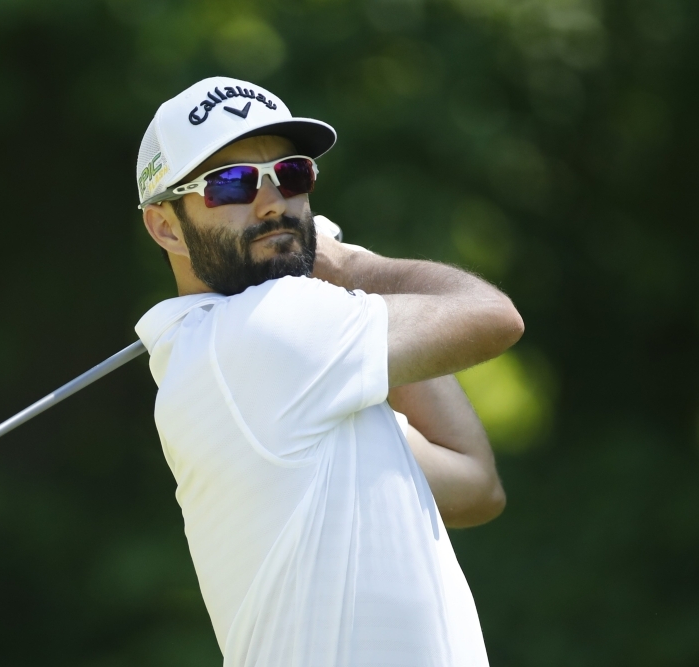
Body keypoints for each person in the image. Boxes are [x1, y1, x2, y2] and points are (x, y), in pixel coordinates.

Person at [134, 77, 524, 667]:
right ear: (166, 227)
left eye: (290, 176)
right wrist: (348, 264)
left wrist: (345, 289)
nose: (272, 204)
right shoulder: (262, 336)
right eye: (231, 184)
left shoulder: (282, 377)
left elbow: (474, 485)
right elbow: (493, 315)